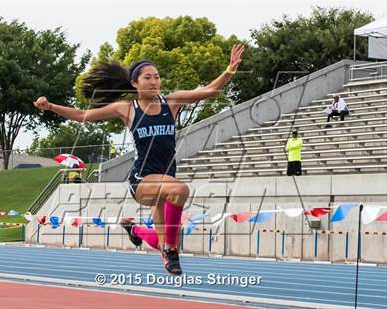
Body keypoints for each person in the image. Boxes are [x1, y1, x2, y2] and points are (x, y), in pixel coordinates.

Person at [33, 44, 244, 275]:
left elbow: (210, 91)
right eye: (147, 77)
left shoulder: (171, 102)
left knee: (160, 238)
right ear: (135, 83)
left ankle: (136, 231)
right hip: (142, 180)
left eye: (157, 77)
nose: (154, 81)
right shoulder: (127, 109)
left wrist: (230, 70)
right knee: (180, 191)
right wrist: (50, 106)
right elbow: (84, 116)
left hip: (165, 179)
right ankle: (171, 251)